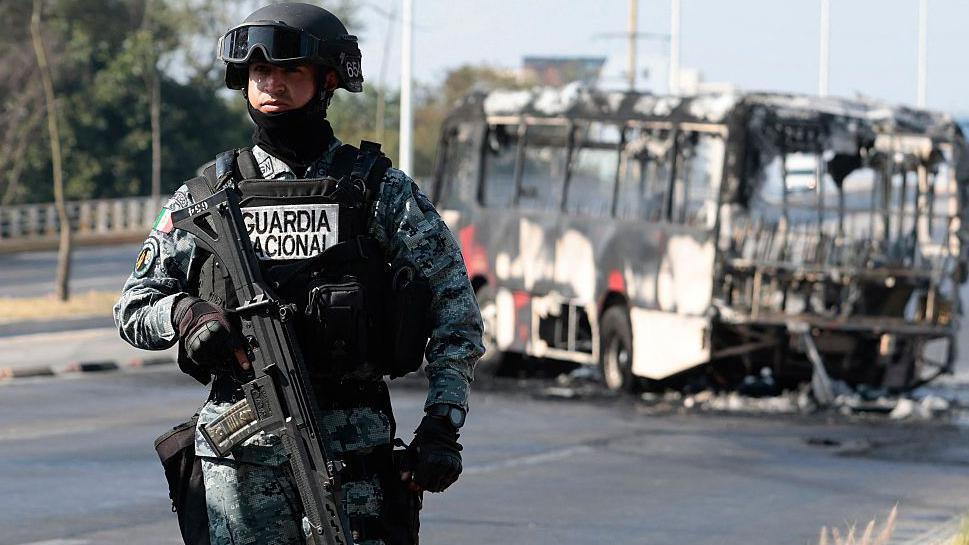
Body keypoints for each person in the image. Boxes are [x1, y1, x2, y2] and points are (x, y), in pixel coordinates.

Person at [114, 3, 483, 544]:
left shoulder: (378, 191)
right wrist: (187, 313)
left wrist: (442, 423)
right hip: (239, 468)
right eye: (261, 71)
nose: (273, 84)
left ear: (328, 80)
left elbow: (456, 310)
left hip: (353, 462)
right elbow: (133, 305)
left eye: (291, 71)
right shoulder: (205, 197)